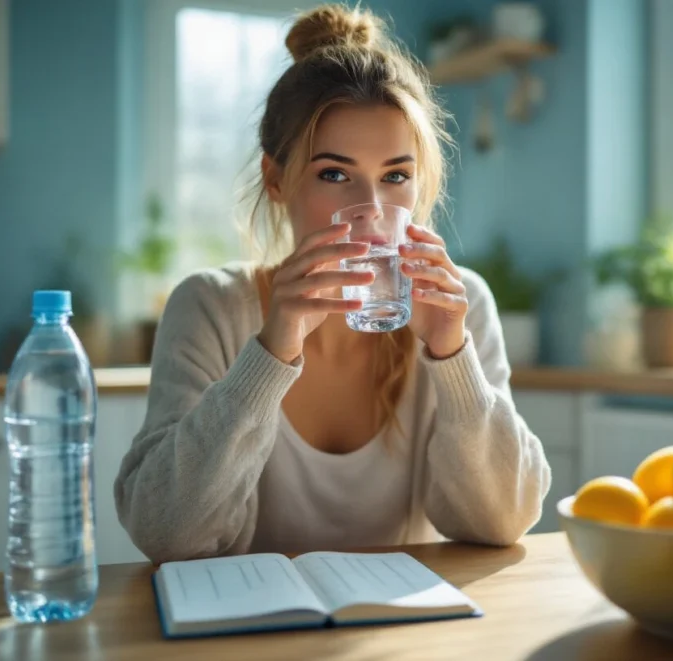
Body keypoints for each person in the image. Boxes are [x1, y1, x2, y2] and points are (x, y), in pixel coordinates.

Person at [114, 4, 551, 563]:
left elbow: (504, 521)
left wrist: (451, 354)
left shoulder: (459, 306)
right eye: (335, 175)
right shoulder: (211, 306)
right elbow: (163, 531)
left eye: (396, 176)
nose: (370, 210)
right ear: (276, 180)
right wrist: (271, 353)